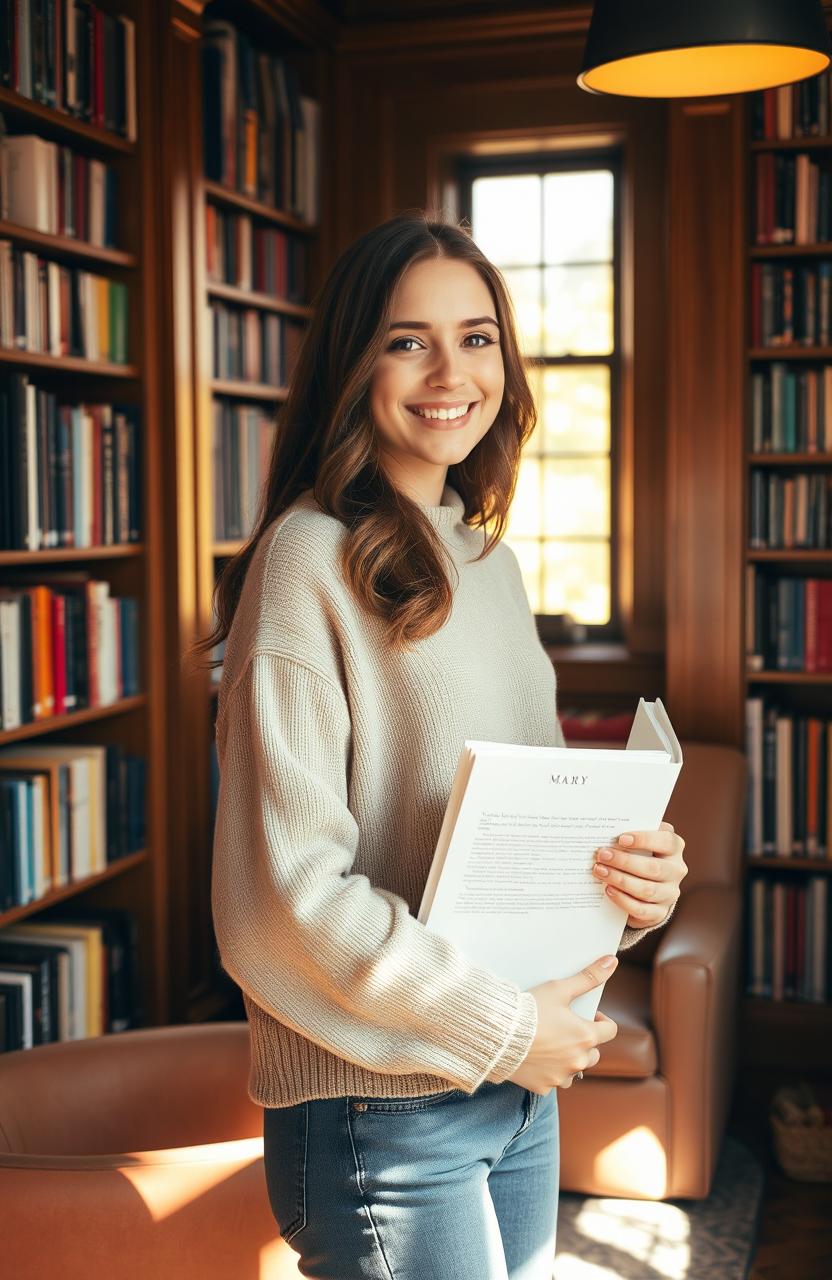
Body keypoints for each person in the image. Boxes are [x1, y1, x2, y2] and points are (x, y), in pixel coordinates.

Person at [198, 209, 688, 1280]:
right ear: (352, 361)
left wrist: (635, 877)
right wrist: (506, 1027)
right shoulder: (306, 559)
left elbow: (534, 828)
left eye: (475, 336)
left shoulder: (489, 559)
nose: (448, 370)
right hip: (380, 1104)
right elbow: (283, 897)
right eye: (404, 338)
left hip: (515, 1089)